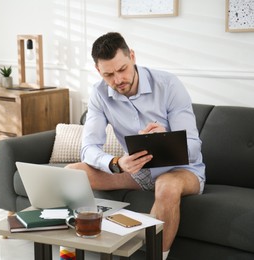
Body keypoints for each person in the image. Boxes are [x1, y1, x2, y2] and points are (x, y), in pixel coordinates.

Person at [66, 32, 205, 260]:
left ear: (132, 56)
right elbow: (88, 147)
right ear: (98, 71)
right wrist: (116, 163)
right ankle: (76, 247)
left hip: (181, 171)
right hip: (137, 172)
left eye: (122, 69)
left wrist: (167, 140)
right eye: (108, 74)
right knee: (72, 174)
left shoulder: (168, 84)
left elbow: (193, 148)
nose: (117, 80)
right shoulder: (99, 93)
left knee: (166, 186)